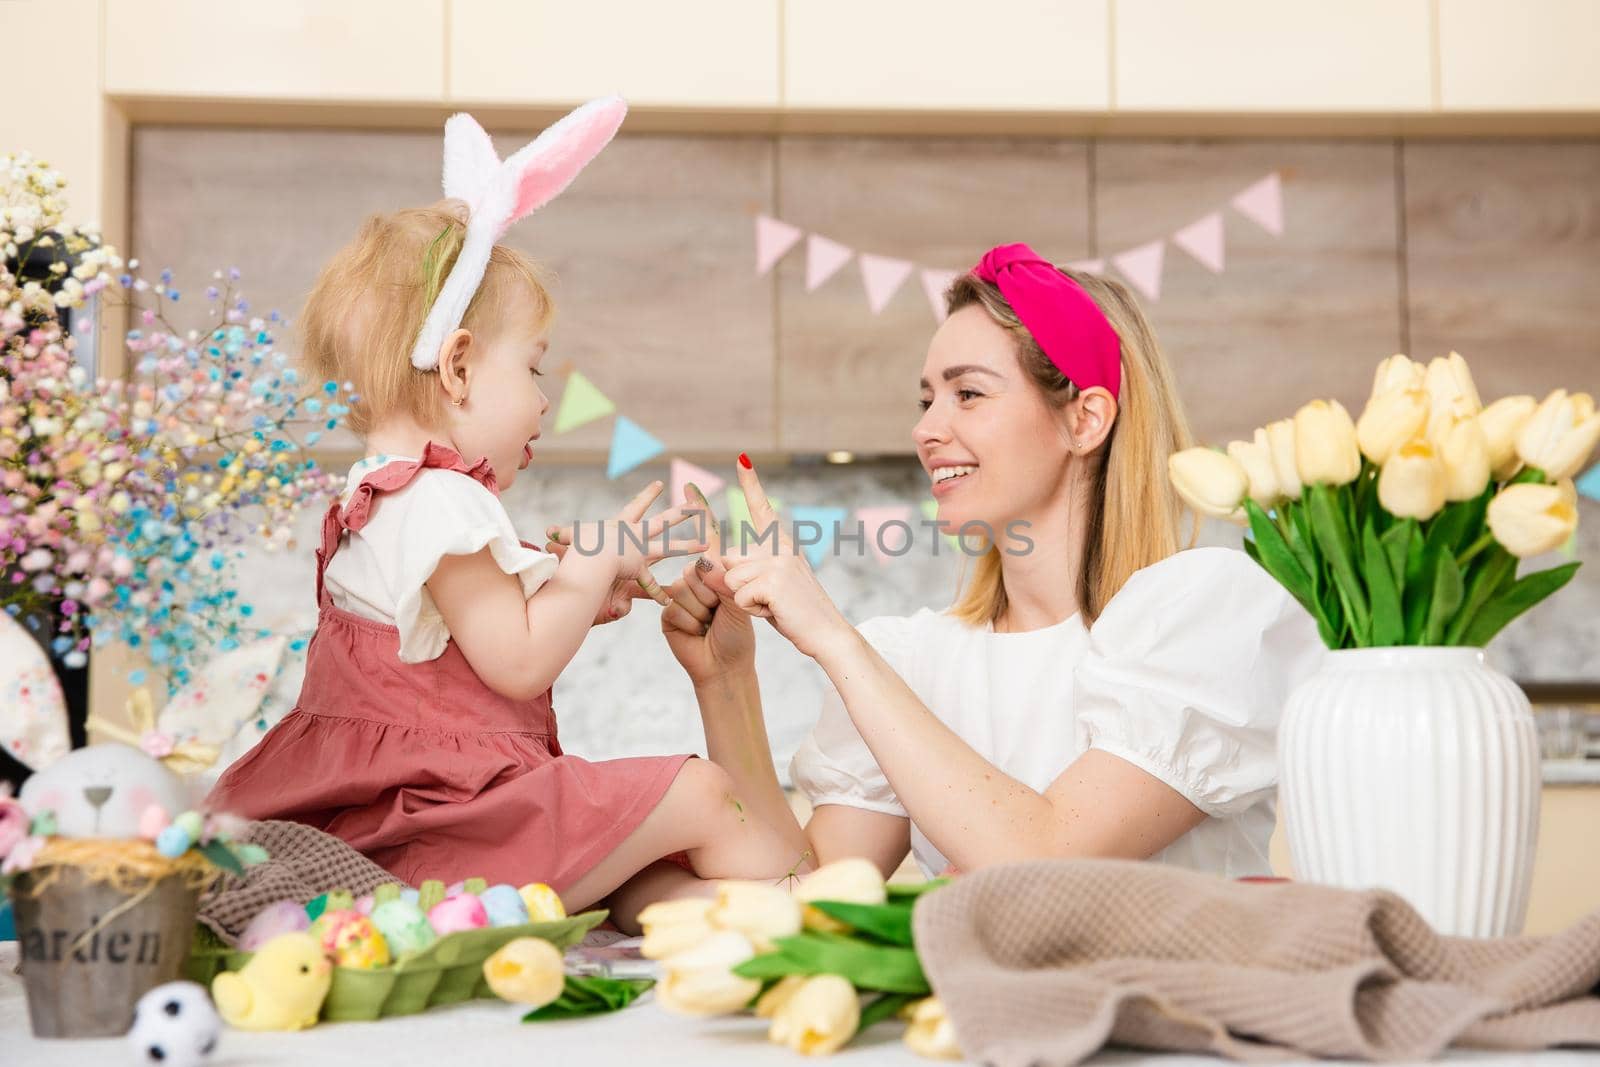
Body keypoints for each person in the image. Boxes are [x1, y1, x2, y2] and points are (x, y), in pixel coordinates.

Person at [211, 101, 807, 923]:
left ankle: (688, 910)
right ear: (457, 367)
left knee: (629, 860)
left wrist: (580, 592)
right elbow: (518, 664)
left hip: (415, 822)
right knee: (701, 791)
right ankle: (787, 882)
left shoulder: (382, 494)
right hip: (452, 825)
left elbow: (454, 648)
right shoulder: (443, 498)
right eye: (532, 369)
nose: (542, 402)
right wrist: (588, 565)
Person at [661, 243, 1325, 881]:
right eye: (927, 401)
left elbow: (1046, 855)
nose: (926, 430)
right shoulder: (917, 660)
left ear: (1086, 419)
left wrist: (832, 637)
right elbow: (807, 895)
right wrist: (726, 681)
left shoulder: (1203, 612)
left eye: (968, 394)